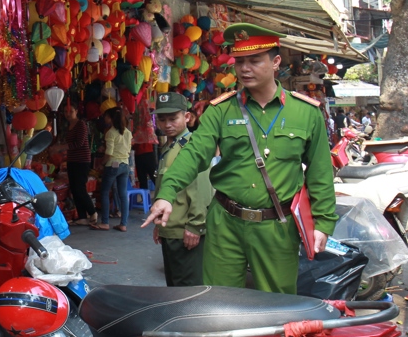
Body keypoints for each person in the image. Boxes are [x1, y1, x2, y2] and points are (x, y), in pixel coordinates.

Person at [143, 24, 338, 295]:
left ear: (276, 62)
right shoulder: (220, 110)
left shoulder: (306, 112)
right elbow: (194, 153)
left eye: (255, 60)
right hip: (225, 224)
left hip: (277, 225)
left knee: (277, 304)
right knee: (221, 303)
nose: (245, 68)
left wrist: (324, 223)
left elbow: (320, 173)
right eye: (240, 61)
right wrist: (166, 193)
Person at [151, 93, 213, 286]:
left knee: (188, 289)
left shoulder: (192, 147)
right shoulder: (170, 147)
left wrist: (196, 225)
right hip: (171, 230)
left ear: (187, 117)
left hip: (185, 231)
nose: (167, 124)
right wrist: (159, 225)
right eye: (162, 119)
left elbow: (201, 189)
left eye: (173, 118)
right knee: (174, 285)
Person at [62, 95, 97, 227]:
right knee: (75, 189)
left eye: (70, 111)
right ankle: (82, 216)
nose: (68, 114)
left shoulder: (81, 124)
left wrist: (61, 148)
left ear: (76, 111)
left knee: (80, 188)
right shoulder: (68, 126)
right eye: (65, 112)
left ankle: (92, 212)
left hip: (82, 161)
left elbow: (78, 143)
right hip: (72, 160)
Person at [97, 107, 132, 232]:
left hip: (112, 165)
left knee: (105, 192)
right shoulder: (127, 132)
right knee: (123, 194)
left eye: (106, 116)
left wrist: (102, 163)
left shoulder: (110, 133)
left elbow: (109, 153)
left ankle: (105, 222)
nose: (105, 118)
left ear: (111, 118)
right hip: (125, 165)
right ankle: (123, 224)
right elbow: (128, 150)